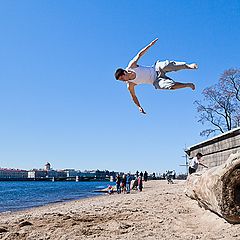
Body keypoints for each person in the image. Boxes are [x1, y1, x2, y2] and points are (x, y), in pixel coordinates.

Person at [115, 38, 198, 114]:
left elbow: (139, 54)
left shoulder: (131, 66)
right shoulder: (130, 85)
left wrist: (150, 45)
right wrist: (139, 107)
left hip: (156, 68)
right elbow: (133, 96)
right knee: (170, 86)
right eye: (121, 80)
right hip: (155, 81)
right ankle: (188, 85)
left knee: (167, 65)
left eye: (122, 78)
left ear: (125, 72)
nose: (123, 81)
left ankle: (188, 66)